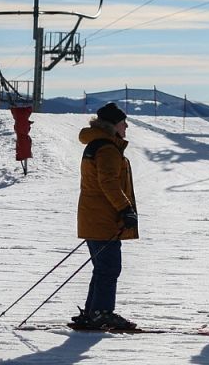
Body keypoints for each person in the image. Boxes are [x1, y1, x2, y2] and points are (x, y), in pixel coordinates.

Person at [72, 102, 139, 330]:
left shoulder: (96, 144)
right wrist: (125, 209)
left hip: (94, 217)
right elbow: (108, 183)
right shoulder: (107, 148)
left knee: (103, 268)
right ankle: (101, 313)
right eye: (123, 123)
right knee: (109, 268)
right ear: (113, 125)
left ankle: (94, 312)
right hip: (103, 218)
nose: (126, 126)